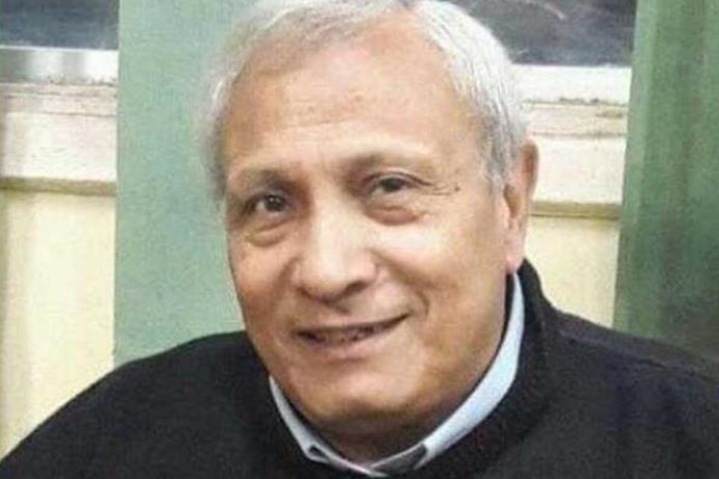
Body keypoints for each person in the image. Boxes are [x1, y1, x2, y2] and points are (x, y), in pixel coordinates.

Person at [1, 0, 717, 478]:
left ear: (510, 200)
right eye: (270, 202)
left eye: (389, 188)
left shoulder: (685, 439)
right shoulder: (117, 440)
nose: (327, 270)